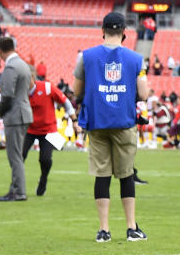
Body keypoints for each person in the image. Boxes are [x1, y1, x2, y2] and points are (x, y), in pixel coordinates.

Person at [73, 13, 149, 242]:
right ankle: (131, 227)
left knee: (102, 174)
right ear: (125, 32)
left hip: (97, 121)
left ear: (103, 30)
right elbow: (144, 94)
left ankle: (104, 230)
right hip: (124, 121)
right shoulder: (136, 59)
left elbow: (77, 91)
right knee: (126, 175)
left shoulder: (86, 56)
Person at [23, 69, 76, 196]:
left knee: (45, 159)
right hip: (29, 129)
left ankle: (43, 179)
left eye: (28, 78)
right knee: (19, 156)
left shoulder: (47, 87)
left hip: (48, 130)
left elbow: (65, 102)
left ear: (33, 77)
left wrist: (74, 120)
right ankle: (17, 185)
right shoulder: (19, 91)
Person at [0, 37, 33, 202]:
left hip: (15, 114)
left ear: (0, 51)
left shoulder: (10, 67)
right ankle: (16, 189)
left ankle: (18, 191)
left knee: (14, 156)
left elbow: (8, 95)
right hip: (23, 112)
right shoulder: (23, 64)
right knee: (17, 154)